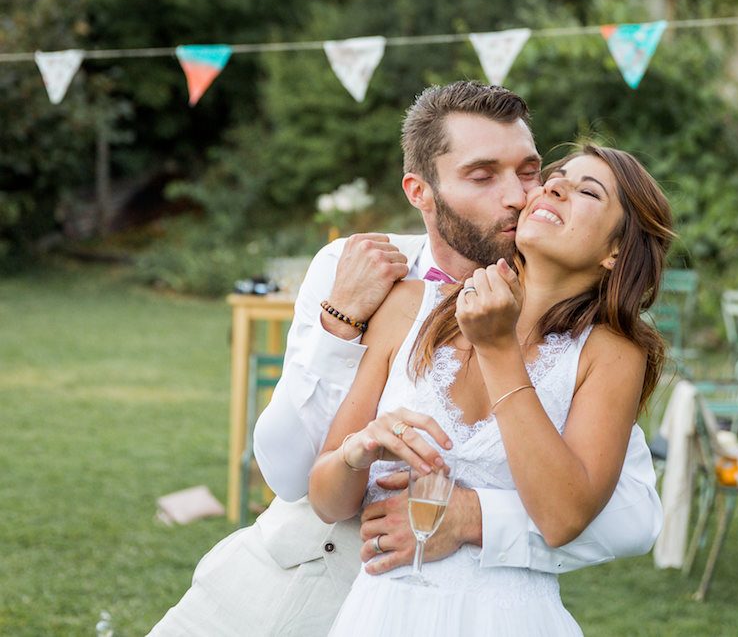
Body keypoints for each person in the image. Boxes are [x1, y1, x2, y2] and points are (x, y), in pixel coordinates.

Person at [150, 82, 663, 636]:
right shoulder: (366, 275)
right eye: (483, 175)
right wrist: (339, 326)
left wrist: (475, 518)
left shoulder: (601, 347)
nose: (520, 196)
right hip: (295, 579)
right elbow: (291, 473)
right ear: (420, 191)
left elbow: (629, 515)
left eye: (529, 171)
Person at [310, 143, 674, 635]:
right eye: (555, 178)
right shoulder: (408, 307)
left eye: (587, 190)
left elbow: (563, 517)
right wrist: (359, 450)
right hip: (379, 615)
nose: (555, 187)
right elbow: (328, 500)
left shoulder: (610, 352)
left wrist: (498, 349)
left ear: (615, 251)